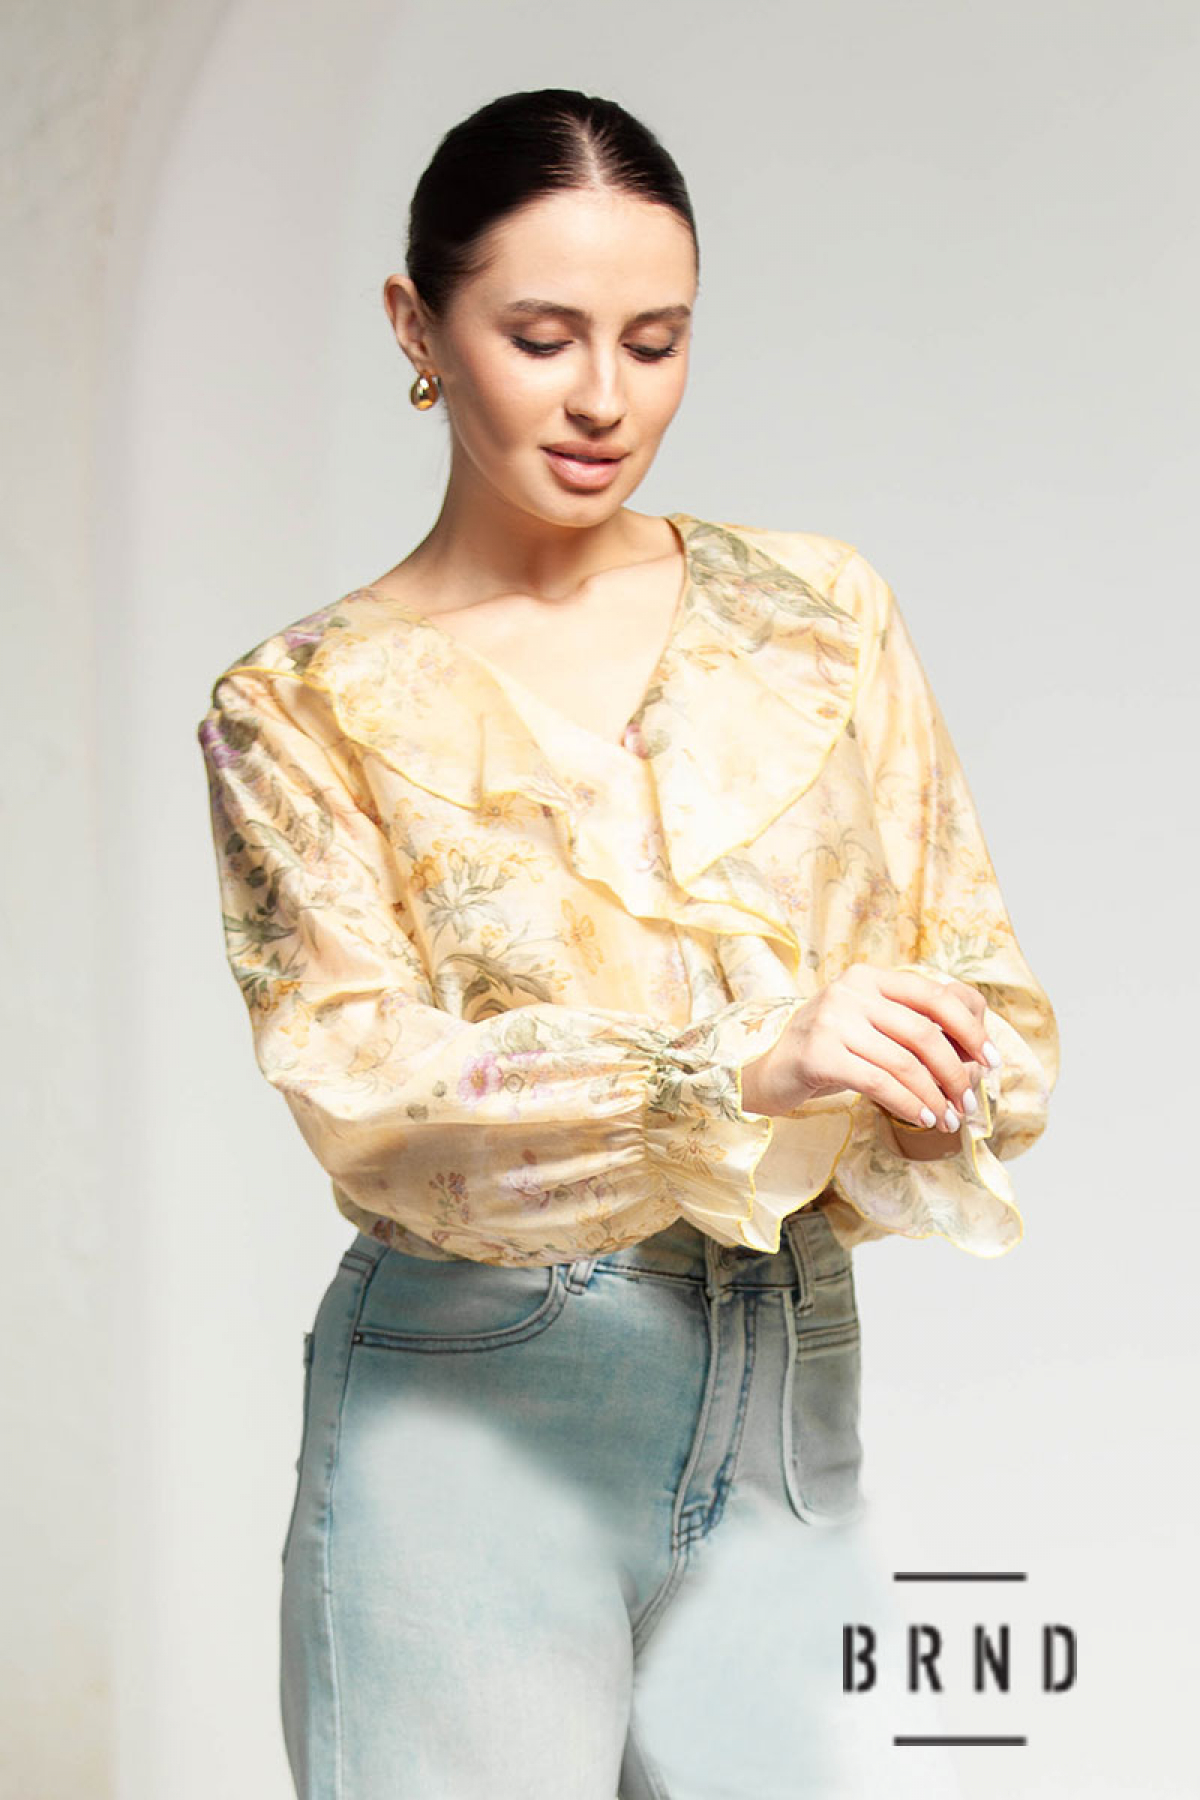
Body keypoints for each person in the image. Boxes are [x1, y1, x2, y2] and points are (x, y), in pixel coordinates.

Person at [195, 87, 1060, 1800]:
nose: (606, 397)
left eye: (656, 343)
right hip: (480, 1403)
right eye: (543, 337)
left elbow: (985, 997)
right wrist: (731, 1064)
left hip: (787, 1376)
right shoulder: (299, 706)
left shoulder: (816, 619)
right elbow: (362, 1082)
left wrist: (929, 1071)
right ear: (418, 328)